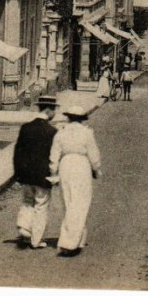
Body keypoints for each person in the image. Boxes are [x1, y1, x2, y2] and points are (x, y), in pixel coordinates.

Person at [49, 105, 102, 257]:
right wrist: (96, 169)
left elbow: (54, 155)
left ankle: (78, 239)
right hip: (81, 165)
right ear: (82, 119)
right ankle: (70, 243)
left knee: (68, 201)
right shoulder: (86, 133)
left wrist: (53, 172)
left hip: (65, 165)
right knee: (80, 203)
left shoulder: (61, 133)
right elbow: (93, 154)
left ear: (68, 117)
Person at [13, 96, 60, 249]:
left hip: (26, 174)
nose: (54, 113)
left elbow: (18, 152)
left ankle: (24, 229)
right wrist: (55, 174)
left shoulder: (26, 127)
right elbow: (54, 156)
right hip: (43, 175)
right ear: (48, 110)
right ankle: (36, 240)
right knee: (41, 205)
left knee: (27, 201)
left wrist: (18, 174)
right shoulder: (52, 131)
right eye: (54, 110)